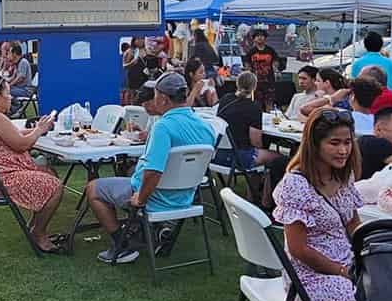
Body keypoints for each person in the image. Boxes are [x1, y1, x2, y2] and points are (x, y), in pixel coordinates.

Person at [83, 71, 218, 264]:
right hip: (187, 197)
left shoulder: (163, 127)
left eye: (155, 95)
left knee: (93, 188)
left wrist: (141, 199)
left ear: (163, 98)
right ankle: (149, 231)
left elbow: (154, 172)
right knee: (130, 175)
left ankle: (122, 245)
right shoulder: (206, 127)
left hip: (156, 198)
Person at [270, 107, 366, 301]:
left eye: (347, 142)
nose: (343, 150)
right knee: (357, 293)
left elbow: (353, 223)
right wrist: (343, 272)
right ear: (315, 144)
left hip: (347, 259)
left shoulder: (343, 175)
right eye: (334, 143)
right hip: (309, 274)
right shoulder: (296, 185)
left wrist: (368, 252)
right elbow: (298, 249)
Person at [0, 74, 67, 253]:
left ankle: (34, 226)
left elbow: (12, 133)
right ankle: (39, 233)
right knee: (55, 185)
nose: (11, 97)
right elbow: (22, 144)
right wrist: (38, 130)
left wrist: (36, 129)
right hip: (0, 182)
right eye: (8, 93)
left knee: (49, 172)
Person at [216, 70, 286, 206]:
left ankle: (253, 197)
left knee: (260, 153)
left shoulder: (225, 99)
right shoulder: (253, 107)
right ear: (254, 87)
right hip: (239, 157)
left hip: (218, 155)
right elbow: (255, 141)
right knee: (279, 158)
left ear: (237, 84)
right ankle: (266, 201)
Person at [245, 29, 280, 110]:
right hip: (256, 82)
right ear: (254, 39)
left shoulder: (270, 50)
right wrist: (249, 74)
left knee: (269, 102)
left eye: (262, 36)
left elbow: (276, 62)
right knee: (257, 103)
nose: (260, 38)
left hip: (269, 81)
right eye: (257, 36)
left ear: (265, 38)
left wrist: (276, 70)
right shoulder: (251, 51)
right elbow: (247, 64)